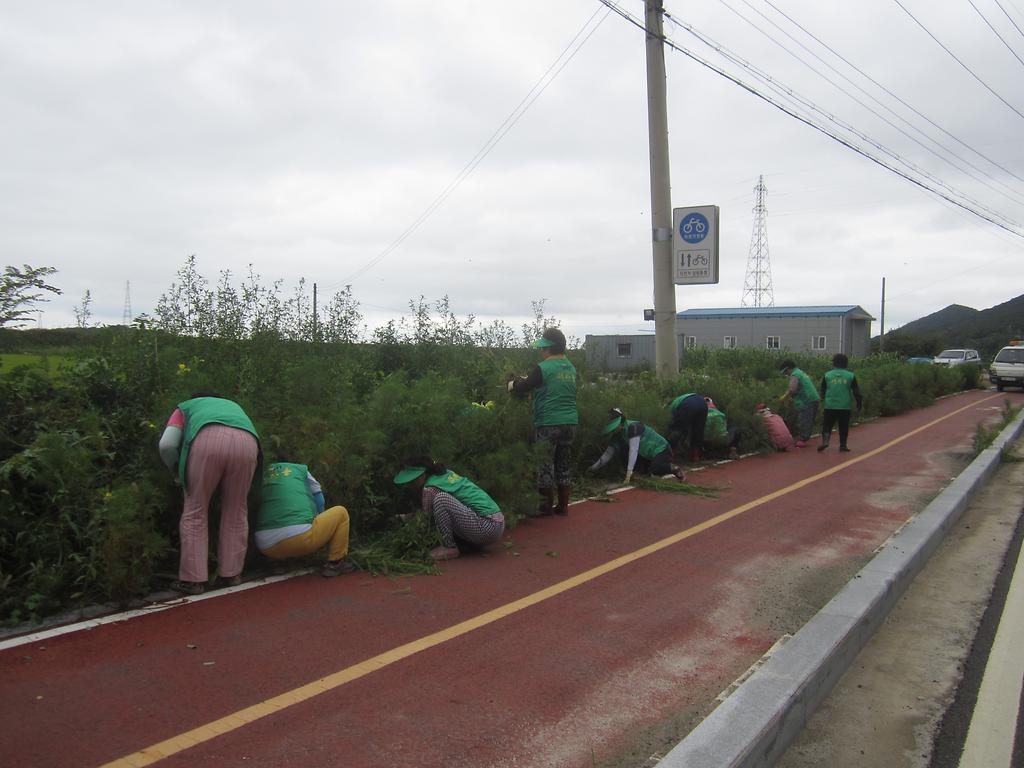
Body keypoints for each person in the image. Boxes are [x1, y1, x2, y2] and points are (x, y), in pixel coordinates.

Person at [158, 393, 261, 595]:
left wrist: (176, 471)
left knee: (195, 509)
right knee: (236, 510)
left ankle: (193, 580)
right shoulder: (234, 405)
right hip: (248, 443)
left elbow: (167, 445)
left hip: (207, 440)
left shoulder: (185, 407)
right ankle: (231, 574)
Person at [508, 327, 578, 517]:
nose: (541, 351)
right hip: (570, 423)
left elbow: (524, 387)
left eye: (543, 348)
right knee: (563, 463)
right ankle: (563, 506)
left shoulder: (543, 367)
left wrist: (512, 385)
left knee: (545, 463)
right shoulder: (571, 367)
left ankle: (546, 506)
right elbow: (550, 386)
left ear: (549, 348)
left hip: (548, 422)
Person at [254, 460, 356, 578]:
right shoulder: (300, 469)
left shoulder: (263, 474)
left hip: (265, 545)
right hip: (300, 538)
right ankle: (335, 563)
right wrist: (322, 527)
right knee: (341, 512)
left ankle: (275, 563)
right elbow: (319, 498)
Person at [393, 457, 505, 561]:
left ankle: (449, 546)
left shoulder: (430, 488)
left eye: (413, 480)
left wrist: (406, 523)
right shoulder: (445, 474)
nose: (410, 484)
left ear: (422, 475)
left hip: (487, 528)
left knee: (441, 499)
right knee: (444, 507)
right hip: (497, 524)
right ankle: (468, 544)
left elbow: (426, 520)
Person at [588, 408, 686, 484]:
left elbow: (633, 450)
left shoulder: (633, 427)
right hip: (646, 455)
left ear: (621, 423)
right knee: (642, 471)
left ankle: (674, 469)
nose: (613, 430)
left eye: (614, 427)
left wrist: (629, 472)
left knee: (655, 469)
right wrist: (593, 468)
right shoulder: (617, 435)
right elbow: (608, 453)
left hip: (662, 450)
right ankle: (645, 471)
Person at [818, 353, 863, 453]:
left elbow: (822, 390)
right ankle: (843, 445)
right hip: (844, 406)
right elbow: (856, 391)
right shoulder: (850, 375)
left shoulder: (827, 375)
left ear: (833, 363)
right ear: (846, 363)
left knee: (827, 425)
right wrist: (859, 403)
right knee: (843, 426)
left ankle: (825, 441)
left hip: (830, 405)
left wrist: (820, 401)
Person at [779, 360, 820, 447]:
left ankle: (802, 439)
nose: (786, 374)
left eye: (786, 372)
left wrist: (785, 396)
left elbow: (792, 389)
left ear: (789, 369)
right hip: (814, 398)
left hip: (807, 400)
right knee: (809, 419)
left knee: (804, 419)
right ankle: (804, 437)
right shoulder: (800, 372)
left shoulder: (795, 374)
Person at [666, 391, 708, 461]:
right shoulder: (685, 397)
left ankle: (670, 455)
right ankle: (696, 455)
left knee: (676, 430)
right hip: (703, 405)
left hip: (687, 405)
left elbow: (673, 422)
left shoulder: (672, 406)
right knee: (698, 431)